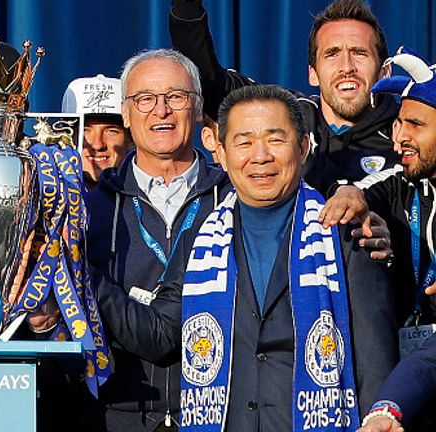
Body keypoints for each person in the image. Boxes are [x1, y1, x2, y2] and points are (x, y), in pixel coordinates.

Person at [96, 84, 397, 432]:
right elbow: (162, 336)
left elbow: (376, 359)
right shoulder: (201, 237)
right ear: (221, 154)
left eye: (275, 139)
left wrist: (379, 419)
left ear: (303, 147)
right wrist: (78, 270)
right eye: (244, 141)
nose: (260, 156)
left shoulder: (345, 230)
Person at [82, 48, 231, 431]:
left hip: (218, 415)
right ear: (127, 114)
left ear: (197, 110)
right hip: (116, 415)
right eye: (145, 99)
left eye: (176, 97)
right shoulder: (88, 209)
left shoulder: (234, 201)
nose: (160, 110)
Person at [169, 0, 399, 195]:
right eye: (332, 54)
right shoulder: (285, 114)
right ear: (313, 74)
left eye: (359, 53)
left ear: (385, 72)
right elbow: (206, 79)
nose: (346, 67)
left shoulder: (409, 135)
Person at [320, 47, 436, 432]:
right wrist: (349, 196)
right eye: (398, 124)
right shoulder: (404, 181)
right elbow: (361, 189)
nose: (398, 138)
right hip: (412, 385)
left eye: (415, 125)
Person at [61, 74, 133, 189]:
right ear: (66, 137)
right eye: (85, 130)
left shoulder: (149, 198)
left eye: (111, 131)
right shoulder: (43, 199)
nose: (97, 145)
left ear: (131, 139)